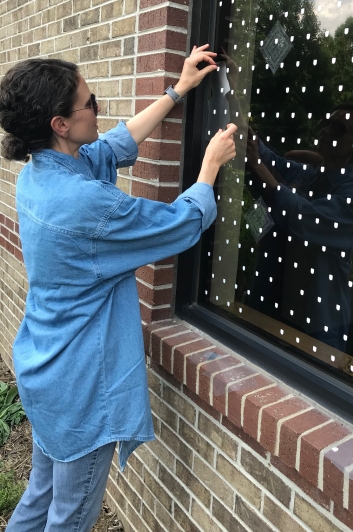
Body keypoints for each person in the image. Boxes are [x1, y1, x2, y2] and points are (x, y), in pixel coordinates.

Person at [0, 45, 236, 531]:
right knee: (69, 518)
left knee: (40, 496)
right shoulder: (83, 203)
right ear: (59, 124)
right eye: (91, 104)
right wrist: (210, 167)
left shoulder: (42, 173)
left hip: (46, 370)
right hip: (81, 386)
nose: (98, 109)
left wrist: (178, 90)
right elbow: (178, 224)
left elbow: (111, 145)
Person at [245, 105, 353, 351]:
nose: (327, 131)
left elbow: (305, 217)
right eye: (327, 123)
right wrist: (233, 91)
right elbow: (263, 154)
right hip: (275, 306)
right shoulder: (308, 175)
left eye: (339, 130)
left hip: (317, 325)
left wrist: (259, 167)